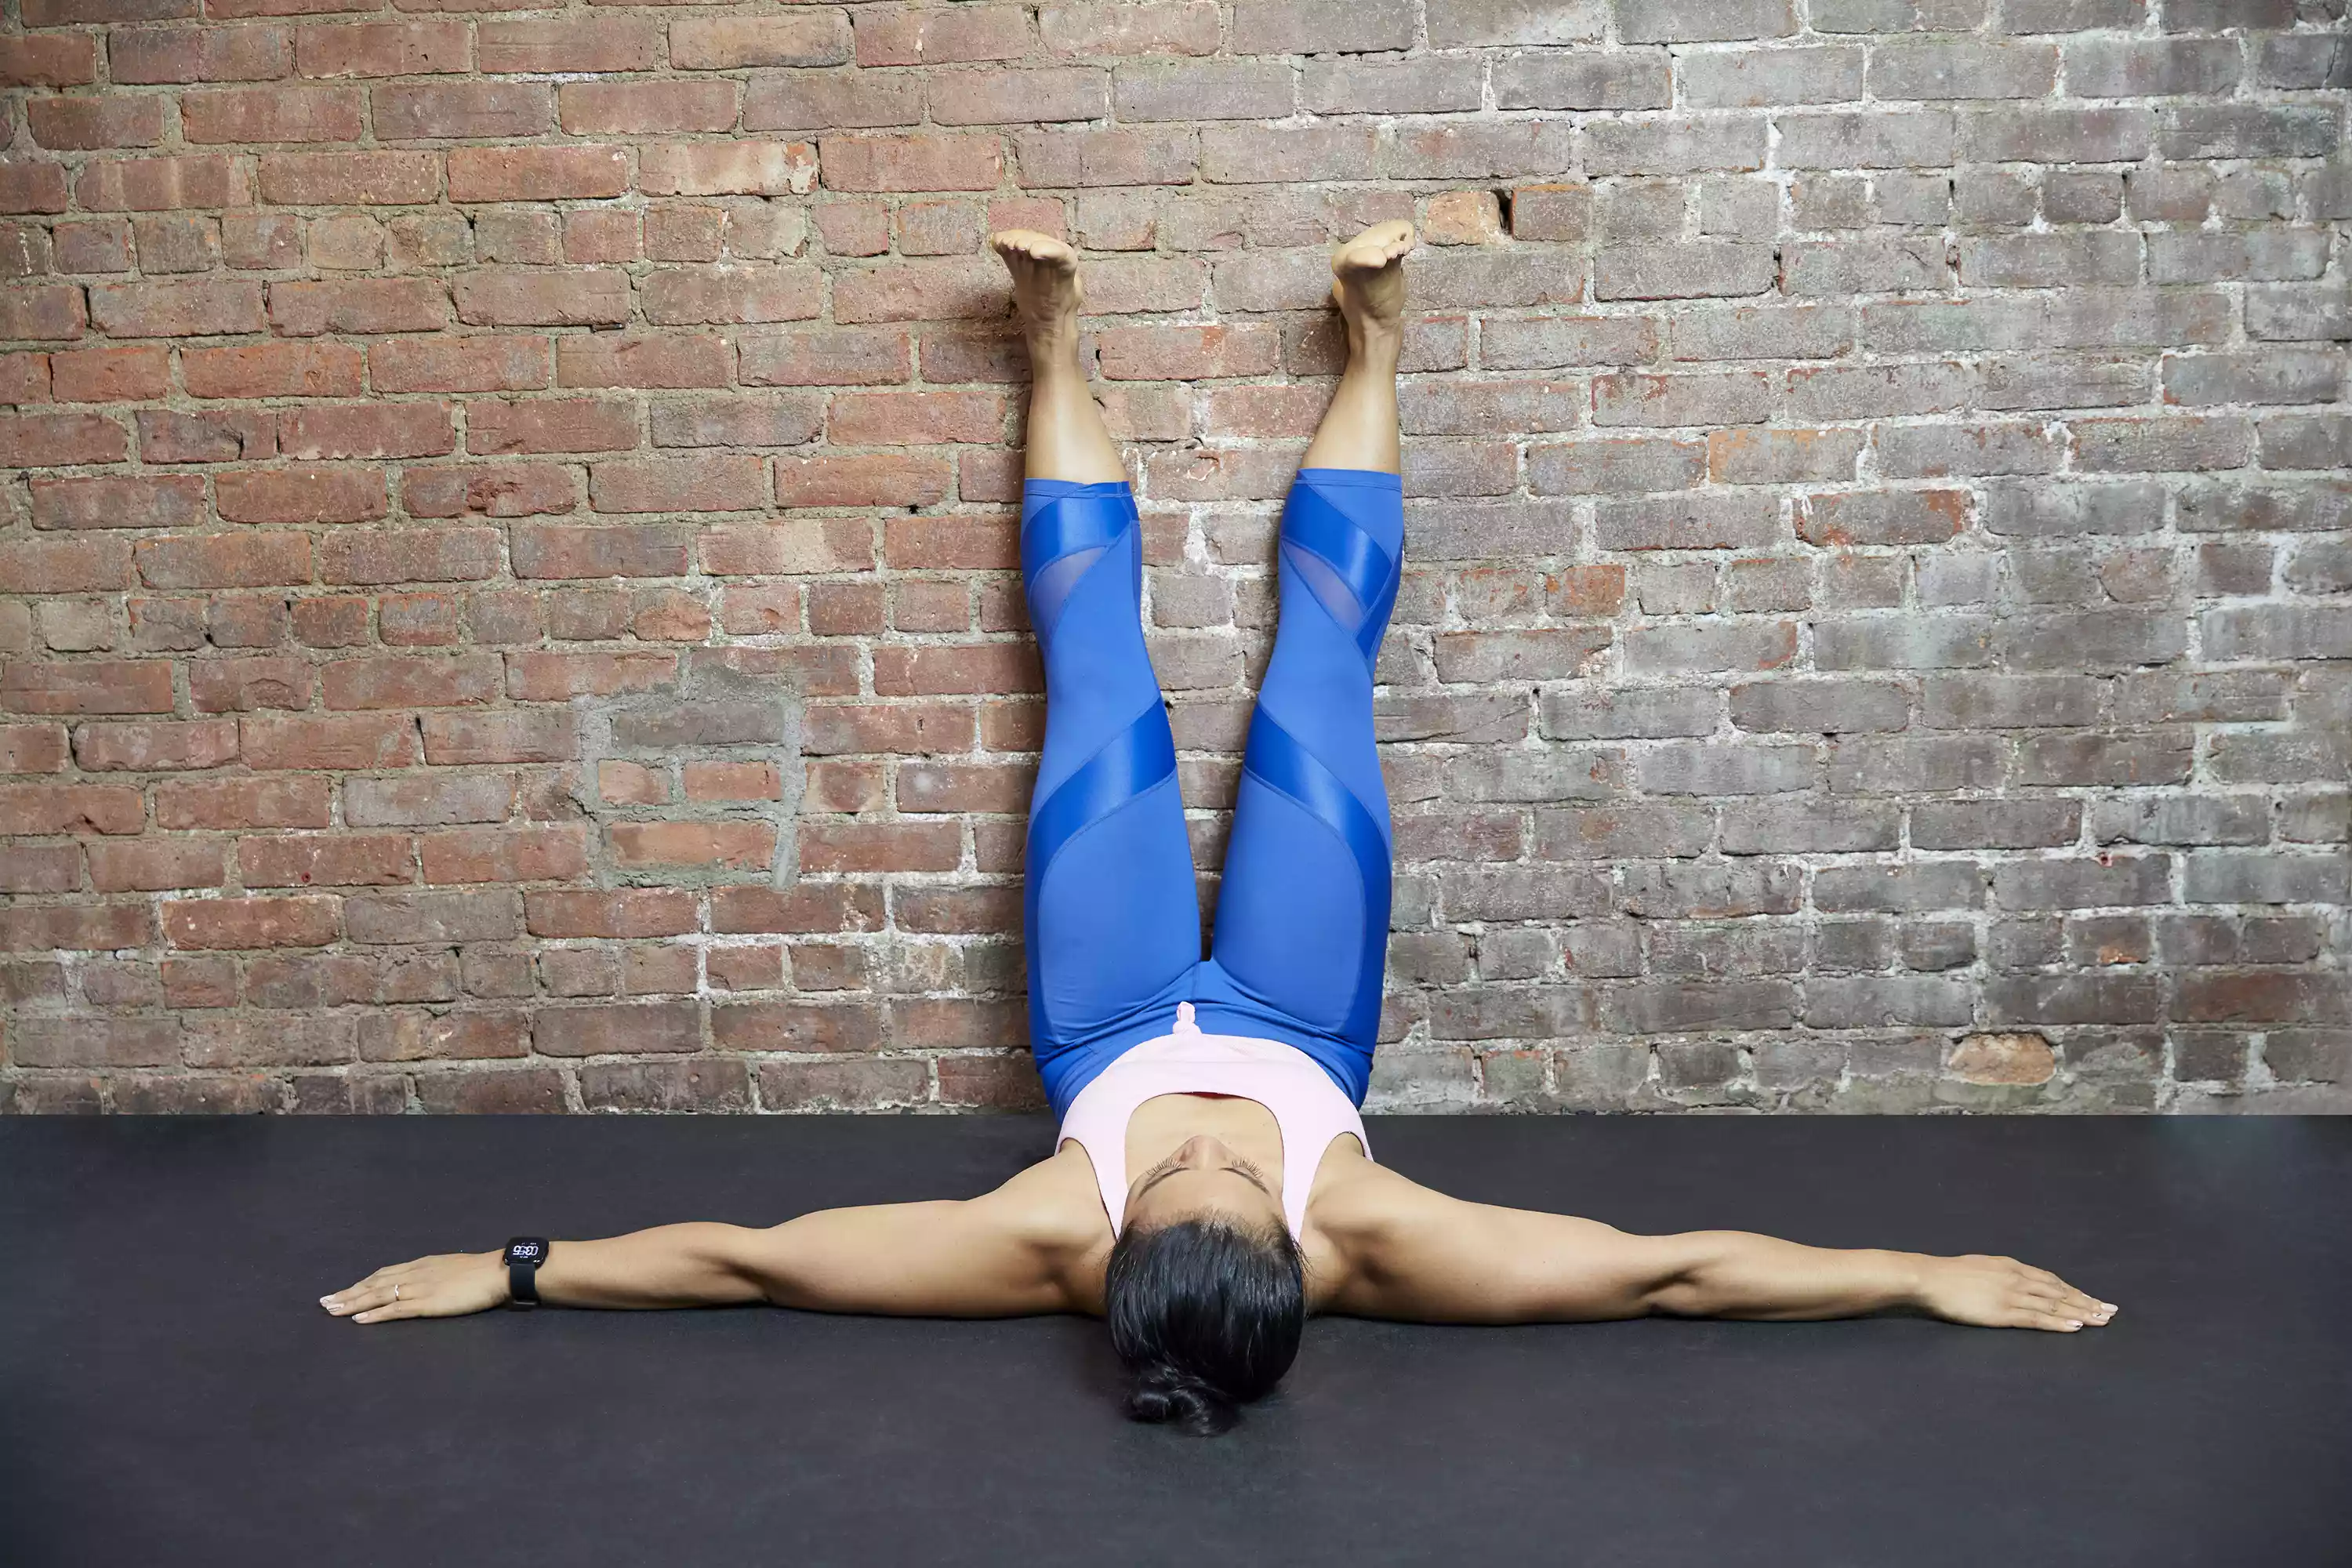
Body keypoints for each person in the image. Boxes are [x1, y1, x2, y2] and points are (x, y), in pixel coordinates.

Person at [321, 223, 2117, 1435]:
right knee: (1317, 673)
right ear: (1301, 1253)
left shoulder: (1036, 1239)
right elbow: (1675, 1277)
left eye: (1186, 1185)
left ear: (1110, 1250)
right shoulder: (1386, 1243)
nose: (1205, 1158)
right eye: (1232, 1187)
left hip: (1103, 1011)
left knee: (1096, 674)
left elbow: (748, 1257)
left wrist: (514, 1269)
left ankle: (1052, 344)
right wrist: (1924, 1275)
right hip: (1294, 1006)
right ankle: (1381, 337)